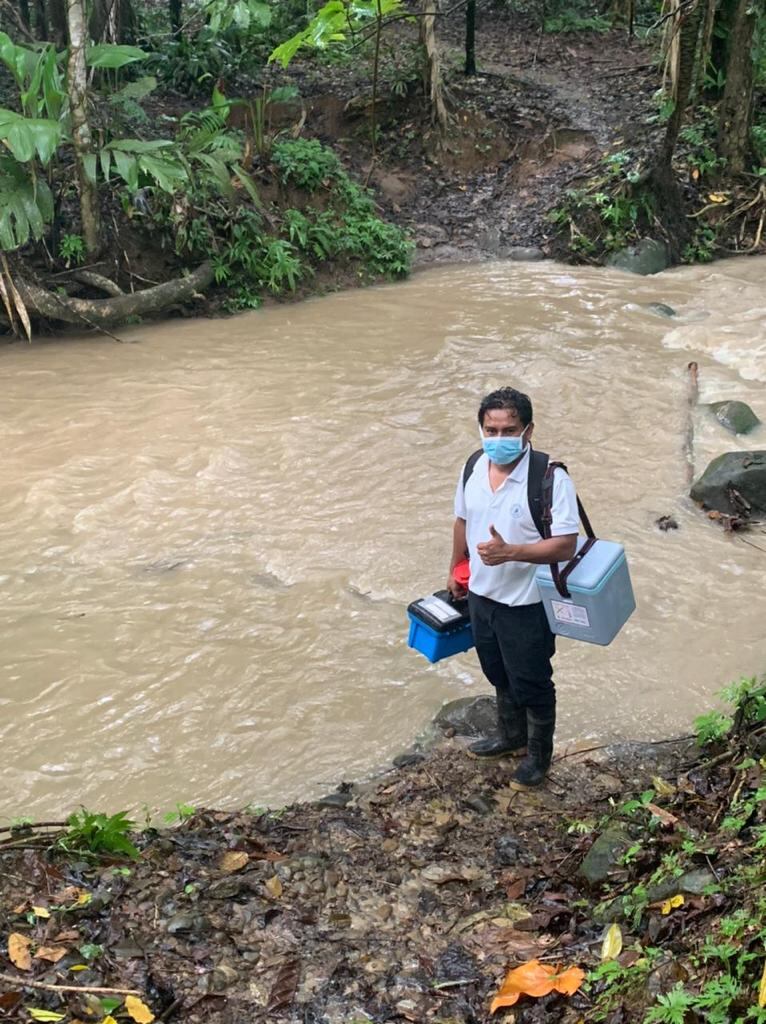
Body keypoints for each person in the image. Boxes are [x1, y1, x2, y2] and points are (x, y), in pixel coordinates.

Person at [447, 387, 579, 789]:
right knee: (497, 671)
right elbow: (462, 522)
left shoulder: (548, 478)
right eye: (491, 430)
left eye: (509, 430)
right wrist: (455, 568)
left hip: (527, 601)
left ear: (528, 430)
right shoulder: (473, 466)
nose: (499, 439)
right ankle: (510, 737)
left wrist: (512, 553)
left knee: (532, 680)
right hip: (483, 597)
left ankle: (539, 756)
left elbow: (566, 543)